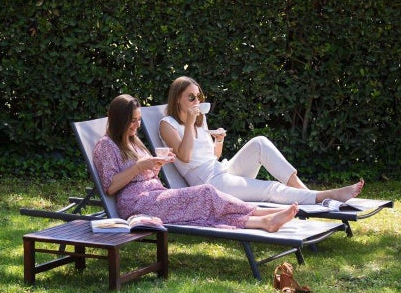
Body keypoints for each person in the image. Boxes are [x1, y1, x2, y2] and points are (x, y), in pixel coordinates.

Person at [93, 94, 298, 232]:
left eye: (139, 119)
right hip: (136, 205)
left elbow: (143, 172)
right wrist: (139, 167)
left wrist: (156, 165)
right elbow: (110, 187)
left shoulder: (132, 141)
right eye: (133, 121)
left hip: (154, 196)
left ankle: (264, 220)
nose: (137, 125)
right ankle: (263, 213)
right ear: (119, 120)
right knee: (205, 194)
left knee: (205, 208)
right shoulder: (106, 146)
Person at [158, 76, 364, 205]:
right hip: (210, 184)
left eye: (198, 97)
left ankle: (306, 193)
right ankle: (324, 196)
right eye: (191, 97)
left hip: (221, 170)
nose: (197, 102)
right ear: (177, 99)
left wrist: (218, 141)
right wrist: (190, 123)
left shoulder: (198, 121)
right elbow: (184, 157)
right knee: (269, 188)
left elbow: (212, 156)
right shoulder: (167, 125)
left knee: (260, 142)